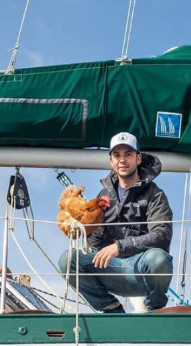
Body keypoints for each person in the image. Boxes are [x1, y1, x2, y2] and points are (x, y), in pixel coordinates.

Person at [58, 131, 173, 313]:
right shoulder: (103, 197)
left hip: (141, 267)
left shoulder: (155, 194)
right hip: (112, 269)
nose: (122, 160)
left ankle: (155, 308)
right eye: (117, 155)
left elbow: (161, 236)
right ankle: (110, 308)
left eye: (128, 154)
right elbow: (94, 241)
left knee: (159, 259)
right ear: (111, 161)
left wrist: (119, 246)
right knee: (68, 259)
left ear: (138, 158)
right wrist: (81, 229)